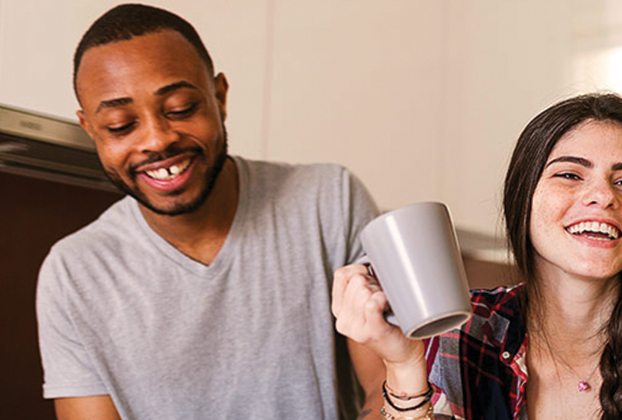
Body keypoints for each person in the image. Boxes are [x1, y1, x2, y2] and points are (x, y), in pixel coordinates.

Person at [36, 4, 385, 419]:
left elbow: (391, 389)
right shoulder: (74, 272)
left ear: (219, 97)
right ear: (90, 129)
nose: (157, 140)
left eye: (181, 108)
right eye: (119, 125)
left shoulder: (329, 200)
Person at [332, 93, 622, 419]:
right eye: (569, 174)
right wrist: (404, 365)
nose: (603, 195)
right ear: (522, 200)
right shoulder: (464, 332)